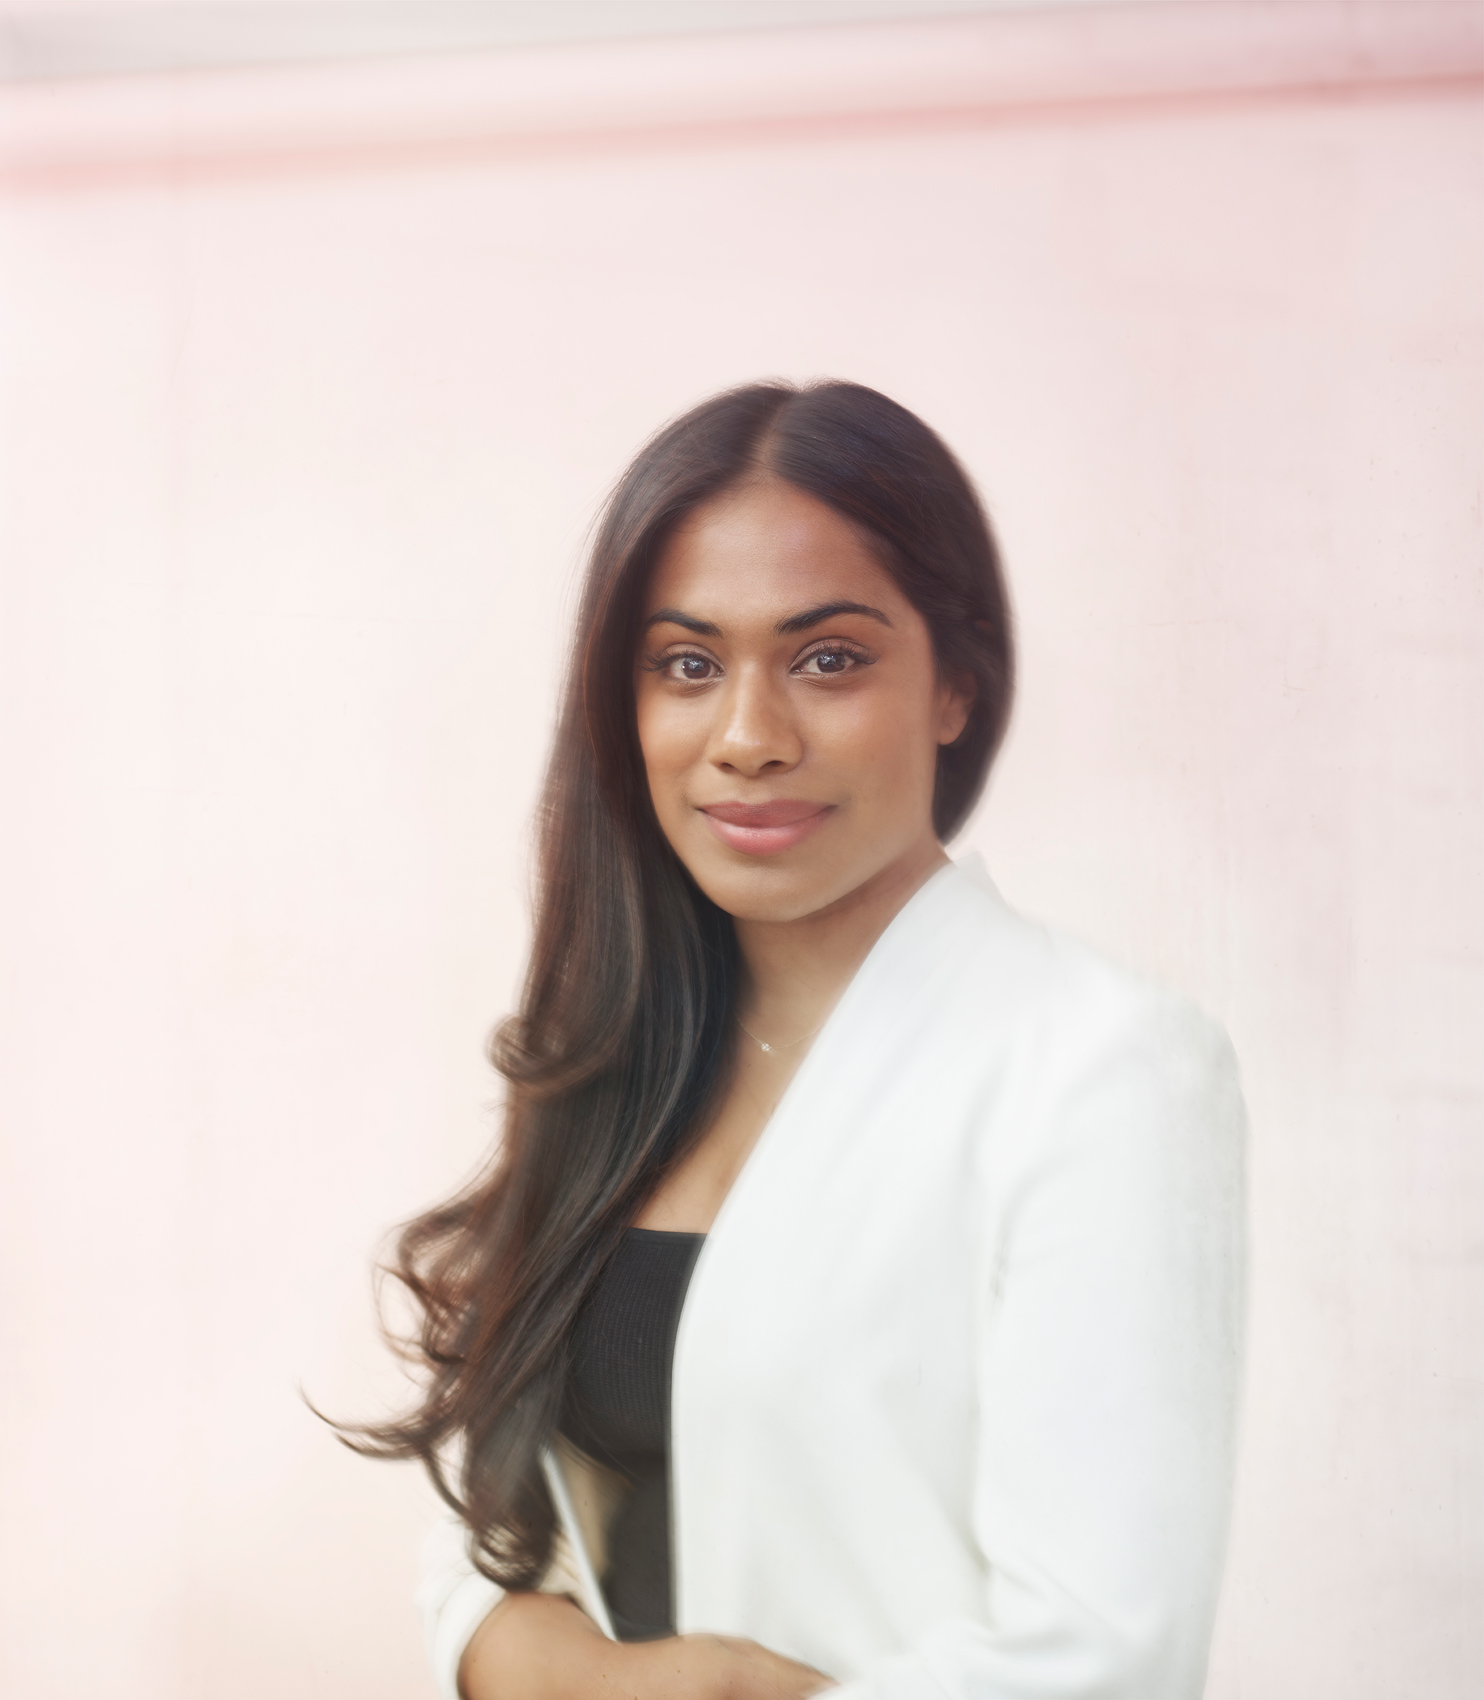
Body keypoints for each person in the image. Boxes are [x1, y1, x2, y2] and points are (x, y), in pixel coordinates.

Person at [348, 380, 1247, 1700]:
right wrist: (542, 1658)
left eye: (827, 659)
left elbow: (1108, 1651)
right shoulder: (618, 1058)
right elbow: (507, 1535)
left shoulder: (1104, 1069)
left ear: (956, 684)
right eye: (687, 665)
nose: (748, 739)